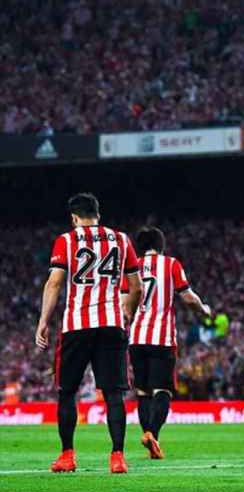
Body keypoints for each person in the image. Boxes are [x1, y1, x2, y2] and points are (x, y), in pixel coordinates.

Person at [35, 193, 143, 474]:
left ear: (74, 217)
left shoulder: (66, 240)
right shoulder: (121, 240)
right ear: (98, 214)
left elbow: (55, 282)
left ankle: (67, 455)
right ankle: (117, 457)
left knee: (67, 391)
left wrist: (43, 321)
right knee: (114, 393)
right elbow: (137, 287)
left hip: (77, 326)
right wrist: (127, 312)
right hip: (111, 324)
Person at [122, 226, 212, 460]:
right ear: (161, 246)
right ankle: (153, 434)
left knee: (143, 392)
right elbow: (189, 298)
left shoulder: (131, 268)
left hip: (137, 338)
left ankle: (150, 437)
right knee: (162, 390)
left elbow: (124, 303)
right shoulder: (171, 265)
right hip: (161, 339)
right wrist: (204, 311)